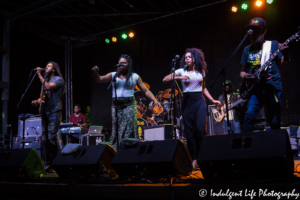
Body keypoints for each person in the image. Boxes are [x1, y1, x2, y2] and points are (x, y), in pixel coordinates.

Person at [163, 48, 221, 170]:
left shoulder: (201, 71)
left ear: (195, 58)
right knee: (189, 131)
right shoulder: (181, 71)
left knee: (200, 129)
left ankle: (203, 156)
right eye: (186, 57)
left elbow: (204, 88)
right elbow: (165, 79)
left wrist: (212, 100)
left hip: (199, 100)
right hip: (187, 100)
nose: (187, 59)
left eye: (190, 57)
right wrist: (180, 77)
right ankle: (194, 158)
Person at [92, 54, 160, 150]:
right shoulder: (113, 75)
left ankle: (129, 149)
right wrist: (95, 73)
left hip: (129, 104)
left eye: (124, 63)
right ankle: (117, 150)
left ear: (129, 64)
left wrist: (154, 100)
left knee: (129, 127)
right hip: (116, 105)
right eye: (120, 63)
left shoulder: (135, 76)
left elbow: (145, 90)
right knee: (117, 128)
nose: (121, 65)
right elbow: (99, 79)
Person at [240, 18, 290, 132]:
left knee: (274, 121)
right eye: (251, 30)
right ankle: (247, 147)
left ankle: (275, 147)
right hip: (255, 90)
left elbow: (285, 65)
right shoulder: (247, 49)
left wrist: (286, 55)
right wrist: (244, 76)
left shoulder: (273, 45)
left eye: (256, 30)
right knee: (248, 118)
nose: (252, 33)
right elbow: (242, 71)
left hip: (272, 88)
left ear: (264, 32)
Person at [31, 61, 64, 172]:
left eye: (48, 66)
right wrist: (37, 101)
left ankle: (56, 163)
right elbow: (44, 97)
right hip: (45, 113)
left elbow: (49, 87)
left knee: (51, 138)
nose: (45, 67)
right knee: (45, 139)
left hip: (54, 112)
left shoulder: (58, 80)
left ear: (53, 70)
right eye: (45, 66)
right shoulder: (45, 81)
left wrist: (39, 74)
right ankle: (48, 163)